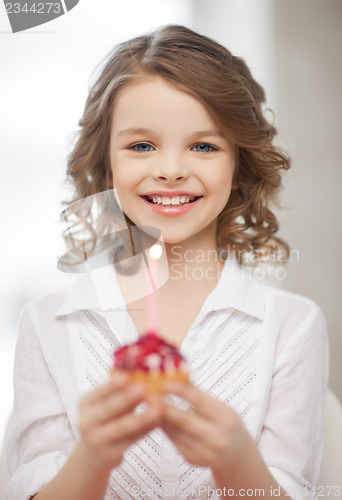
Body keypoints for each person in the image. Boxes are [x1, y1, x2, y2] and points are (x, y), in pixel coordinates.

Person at [5, 25, 329, 500]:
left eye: (204, 145)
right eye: (141, 146)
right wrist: (91, 459)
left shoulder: (293, 326)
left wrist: (236, 460)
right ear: (106, 161)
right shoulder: (47, 324)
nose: (171, 169)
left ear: (239, 165)